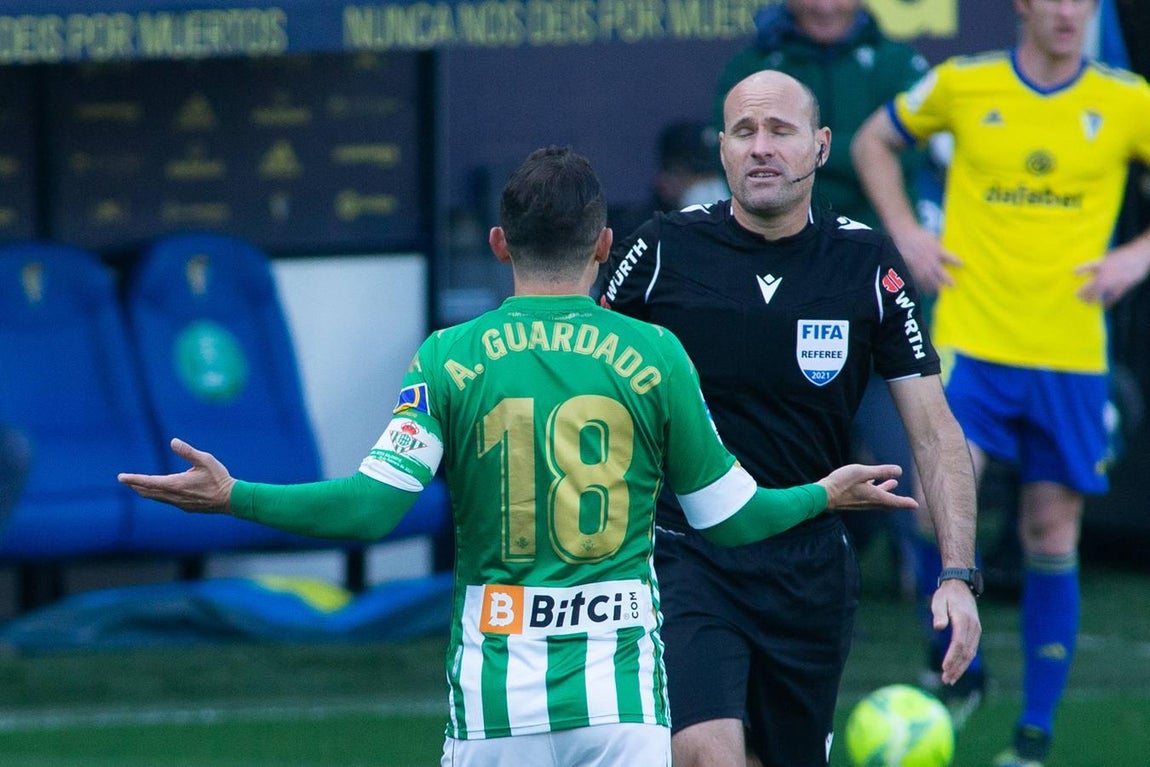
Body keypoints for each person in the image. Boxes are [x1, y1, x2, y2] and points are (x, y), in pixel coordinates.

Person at [119, 146, 918, 767]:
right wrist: (823, 492)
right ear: (606, 244)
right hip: (622, 703)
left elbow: (369, 507)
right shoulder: (654, 354)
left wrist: (235, 496)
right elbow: (733, 519)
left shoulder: (449, 358)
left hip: (499, 700)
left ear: (500, 243)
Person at [599, 71, 981, 767]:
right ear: (722, 150)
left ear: (821, 145)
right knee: (705, 753)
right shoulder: (660, 250)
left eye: (780, 130)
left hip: (809, 571)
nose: (761, 148)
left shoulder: (864, 262)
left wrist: (958, 574)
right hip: (691, 554)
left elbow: (933, 428)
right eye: (744, 132)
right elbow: (580, 384)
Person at [851, 1, 1150, 764]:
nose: (1066, 12)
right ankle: (962, 660)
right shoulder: (964, 84)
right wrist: (908, 235)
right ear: (1022, 4)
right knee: (936, 499)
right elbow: (873, 141)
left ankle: (1033, 735)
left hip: (1070, 353)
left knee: (1051, 531)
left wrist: (1134, 258)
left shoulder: (1126, 101)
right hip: (972, 342)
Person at [713, 0, 933, 602]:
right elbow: (738, 184)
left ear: (822, 144)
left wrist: (908, 235)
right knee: (759, 459)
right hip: (775, 296)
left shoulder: (896, 63)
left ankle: (943, 622)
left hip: (869, 291)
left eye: (782, 131)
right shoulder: (756, 66)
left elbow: (914, 162)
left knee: (914, 466)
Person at [609, 120, 729, 239]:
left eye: (712, 174)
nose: (707, 183)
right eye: (695, 174)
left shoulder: (734, 235)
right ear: (664, 179)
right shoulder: (638, 234)